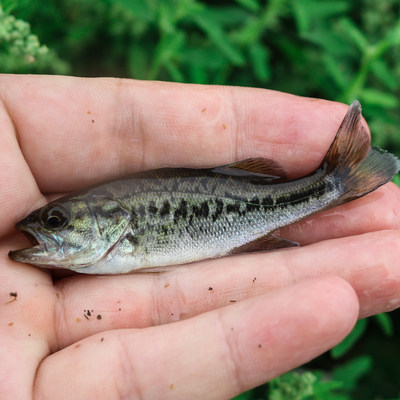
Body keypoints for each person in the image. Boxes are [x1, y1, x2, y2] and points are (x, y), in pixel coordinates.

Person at [1, 74, 399, 400]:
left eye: (56, 221)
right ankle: (333, 184)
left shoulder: (123, 236)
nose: (43, 229)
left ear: (110, 218)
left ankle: (333, 185)